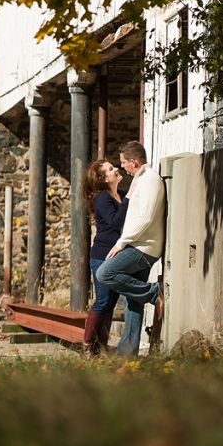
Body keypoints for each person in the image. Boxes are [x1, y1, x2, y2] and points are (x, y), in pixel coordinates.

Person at [95, 140, 165, 357]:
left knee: (104, 273)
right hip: (139, 243)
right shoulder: (140, 179)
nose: (121, 166)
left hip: (144, 247)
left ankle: (155, 293)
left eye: (124, 162)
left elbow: (144, 219)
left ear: (134, 162)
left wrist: (121, 243)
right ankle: (127, 354)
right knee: (133, 301)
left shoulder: (150, 180)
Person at [81, 158, 129, 356]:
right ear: (103, 178)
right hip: (102, 255)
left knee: (111, 301)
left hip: (117, 254)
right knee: (102, 300)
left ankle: (102, 346)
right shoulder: (102, 198)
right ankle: (87, 344)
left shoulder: (122, 194)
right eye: (110, 169)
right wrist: (129, 199)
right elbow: (115, 222)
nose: (116, 169)